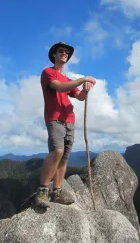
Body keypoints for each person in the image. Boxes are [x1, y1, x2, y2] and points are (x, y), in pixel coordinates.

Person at [35, 41, 96, 207]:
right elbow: (60, 88)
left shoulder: (67, 78)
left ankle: (57, 191)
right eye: (61, 51)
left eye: (67, 52)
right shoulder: (48, 73)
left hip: (69, 119)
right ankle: (43, 191)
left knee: (65, 157)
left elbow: (80, 97)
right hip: (54, 118)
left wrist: (86, 87)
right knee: (57, 151)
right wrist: (83, 79)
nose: (65, 53)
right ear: (54, 54)